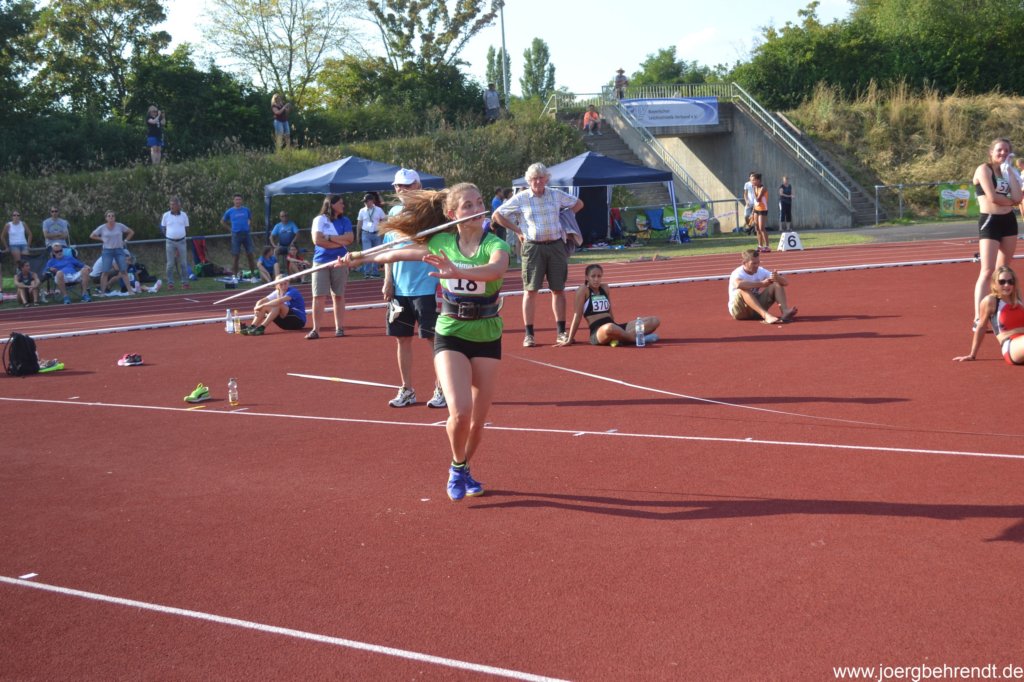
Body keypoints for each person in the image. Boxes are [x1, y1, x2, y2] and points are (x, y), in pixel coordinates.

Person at [341, 182, 510, 501]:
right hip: (451, 332)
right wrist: (360, 257)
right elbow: (401, 251)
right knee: (460, 411)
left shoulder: (495, 244)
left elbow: (495, 270)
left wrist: (457, 270)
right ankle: (457, 467)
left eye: (479, 202)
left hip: (487, 333)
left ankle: (462, 466)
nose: (477, 209)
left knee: (477, 422)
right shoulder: (442, 242)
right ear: (452, 214)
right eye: (468, 205)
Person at [492, 162, 583, 347]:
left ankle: (561, 332)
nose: (538, 181)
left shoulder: (556, 194)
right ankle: (529, 335)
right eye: (534, 178)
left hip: (556, 246)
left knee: (558, 289)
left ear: (546, 179)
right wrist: (518, 230)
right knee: (530, 290)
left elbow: (579, 203)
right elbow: (497, 215)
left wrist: (565, 218)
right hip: (533, 248)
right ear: (529, 180)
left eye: (541, 178)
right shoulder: (521, 197)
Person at [380, 168, 445, 410]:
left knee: (432, 339)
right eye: (399, 186)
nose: (402, 190)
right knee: (402, 339)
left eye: (407, 185)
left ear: (418, 185)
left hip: (426, 287)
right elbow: (389, 250)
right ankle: (407, 389)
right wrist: (388, 280)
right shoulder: (393, 213)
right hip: (400, 290)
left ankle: (441, 388)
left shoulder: (429, 212)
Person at [971, 137, 1022, 328]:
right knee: (987, 271)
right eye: (999, 150)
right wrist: (1012, 202)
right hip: (990, 221)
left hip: (1008, 222)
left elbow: (1018, 197)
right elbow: (992, 197)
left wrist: (1010, 173)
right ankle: (979, 318)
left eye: (1006, 150)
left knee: (1003, 270)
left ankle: (999, 312)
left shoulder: (1008, 171)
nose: (1003, 153)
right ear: (991, 152)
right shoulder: (983, 169)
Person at [558, 264, 660, 347]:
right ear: (587, 277)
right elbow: (577, 316)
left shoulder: (605, 288)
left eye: (599, 276)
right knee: (609, 328)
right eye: (593, 276)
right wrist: (570, 339)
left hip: (614, 326)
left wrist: (617, 330)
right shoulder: (583, 290)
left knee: (654, 320)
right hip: (599, 331)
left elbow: (610, 312)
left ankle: (621, 338)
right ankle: (636, 340)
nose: (596, 279)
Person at [955, 266, 1024, 364]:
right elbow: (981, 327)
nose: (1007, 285)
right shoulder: (991, 301)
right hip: (1010, 347)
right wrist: (972, 354)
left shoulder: (1018, 299)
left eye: (1010, 281)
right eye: (1002, 282)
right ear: (995, 284)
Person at [307, 194, 353, 339]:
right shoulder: (319, 220)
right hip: (321, 261)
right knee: (318, 296)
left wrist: (329, 238)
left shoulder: (345, 220)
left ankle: (339, 328)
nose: (343, 206)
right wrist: (339, 242)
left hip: (340, 261)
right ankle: (315, 329)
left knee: (338, 295)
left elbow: (350, 239)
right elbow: (317, 240)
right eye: (340, 203)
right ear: (332, 205)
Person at [728, 248, 797, 324]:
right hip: (740, 311)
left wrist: (777, 278)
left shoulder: (761, 271)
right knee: (743, 289)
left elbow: (786, 283)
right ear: (744, 263)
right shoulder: (737, 273)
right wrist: (762, 284)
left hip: (755, 311)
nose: (757, 266)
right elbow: (738, 284)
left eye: (758, 263)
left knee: (776, 283)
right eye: (753, 263)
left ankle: (785, 311)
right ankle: (766, 316)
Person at [242, 276, 307, 335]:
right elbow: (261, 301)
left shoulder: (293, 291)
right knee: (265, 307)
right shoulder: (277, 292)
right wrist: (256, 308)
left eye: (285, 283)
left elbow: (279, 301)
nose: (283, 286)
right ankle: (252, 326)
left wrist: (262, 305)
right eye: (281, 284)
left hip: (298, 321)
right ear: (277, 285)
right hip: (285, 324)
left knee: (277, 304)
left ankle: (261, 328)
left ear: (288, 283)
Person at [90, 211, 134, 296]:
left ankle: (130, 291)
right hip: (107, 251)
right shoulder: (102, 227)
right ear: (106, 218)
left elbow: (131, 232)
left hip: (119, 250)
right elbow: (92, 235)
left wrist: (125, 241)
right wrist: (101, 239)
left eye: (112, 216)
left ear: (115, 217)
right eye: (109, 216)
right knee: (105, 271)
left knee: (123, 270)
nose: (111, 217)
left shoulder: (120, 226)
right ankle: (102, 292)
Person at [221, 193, 257, 277]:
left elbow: (251, 219)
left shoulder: (246, 210)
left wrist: (248, 225)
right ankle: (235, 276)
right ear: (233, 201)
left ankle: (253, 276)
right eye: (236, 200)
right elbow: (222, 221)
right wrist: (230, 229)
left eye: (239, 199)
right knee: (236, 256)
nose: (238, 201)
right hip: (236, 235)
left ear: (242, 201)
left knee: (250, 255)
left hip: (246, 234)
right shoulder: (230, 211)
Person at [160, 196, 190, 290]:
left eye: (174, 204)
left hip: (182, 241)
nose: (172, 206)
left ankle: (185, 283)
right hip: (170, 242)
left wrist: (180, 235)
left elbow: (186, 228)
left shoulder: (184, 215)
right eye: (171, 204)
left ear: (178, 205)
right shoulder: (166, 215)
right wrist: (169, 236)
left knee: (183, 263)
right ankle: (170, 283)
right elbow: (163, 227)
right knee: (170, 264)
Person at [356, 192, 386, 278]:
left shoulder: (379, 210)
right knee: (367, 253)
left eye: (366, 201)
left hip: (377, 233)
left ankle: (375, 272)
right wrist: (358, 235)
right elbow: (359, 223)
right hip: (366, 233)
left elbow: (384, 221)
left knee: (377, 252)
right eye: (364, 202)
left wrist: (383, 232)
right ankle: (367, 272)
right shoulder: (362, 210)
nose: (365, 203)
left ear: (372, 201)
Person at [270, 209, 300, 275]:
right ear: (280, 217)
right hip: (281, 246)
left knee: (293, 252)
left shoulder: (292, 224)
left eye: (286, 215)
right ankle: (276, 272)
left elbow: (297, 233)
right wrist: (274, 245)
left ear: (288, 216)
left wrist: (293, 242)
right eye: (282, 216)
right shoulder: (278, 226)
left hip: (290, 246)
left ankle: (292, 272)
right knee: (275, 251)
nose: (284, 217)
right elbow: (271, 237)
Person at [750, 173, 770, 252]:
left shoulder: (763, 188)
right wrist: (752, 212)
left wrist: (753, 190)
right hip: (756, 209)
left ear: (758, 180)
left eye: (753, 180)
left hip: (762, 209)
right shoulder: (754, 187)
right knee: (757, 228)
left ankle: (767, 246)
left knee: (761, 228)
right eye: (751, 180)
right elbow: (755, 202)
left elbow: (758, 199)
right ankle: (760, 245)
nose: (752, 182)